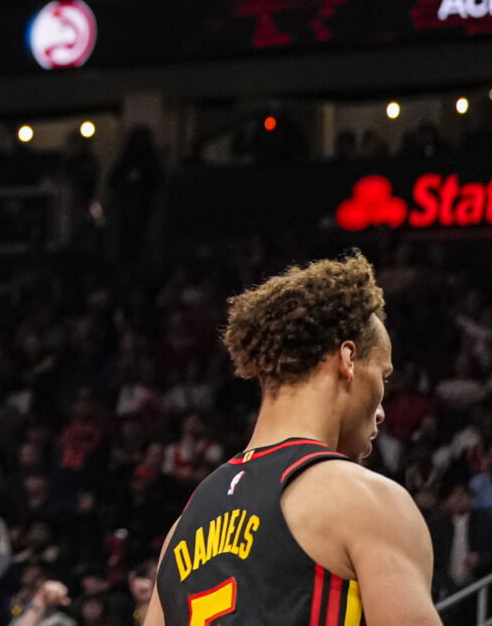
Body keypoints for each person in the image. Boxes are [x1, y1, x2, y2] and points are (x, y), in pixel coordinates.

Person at [145, 252, 440, 626]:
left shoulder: (181, 530)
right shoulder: (365, 502)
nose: (381, 410)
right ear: (348, 359)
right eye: (382, 376)